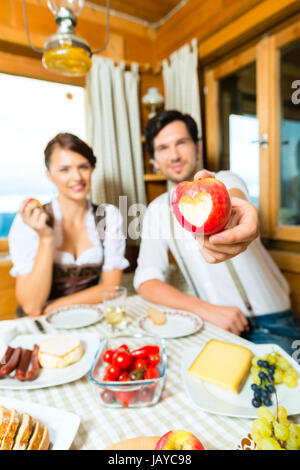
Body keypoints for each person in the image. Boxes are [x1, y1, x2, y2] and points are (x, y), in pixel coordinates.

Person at [133, 110, 300, 356]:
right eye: (163, 148)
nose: (175, 155)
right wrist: (205, 310)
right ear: (154, 160)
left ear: (198, 148)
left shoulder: (224, 180)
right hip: (215, 326)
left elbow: (236, 199)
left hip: (271, 322)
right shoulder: (156, 210)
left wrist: (240, 219)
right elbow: (145, 281)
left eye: (181, 143)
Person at [8, 133, 129, 317]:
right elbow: (32, 307)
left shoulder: (109, 216)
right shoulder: (29, 222)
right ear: (49, 175)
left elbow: (111, 288)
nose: (76, 177)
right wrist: (46, 238)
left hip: (86, 317)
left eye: (83, 167)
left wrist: (52, 308)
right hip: (40, 325)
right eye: (64, 170)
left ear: (92, 169)